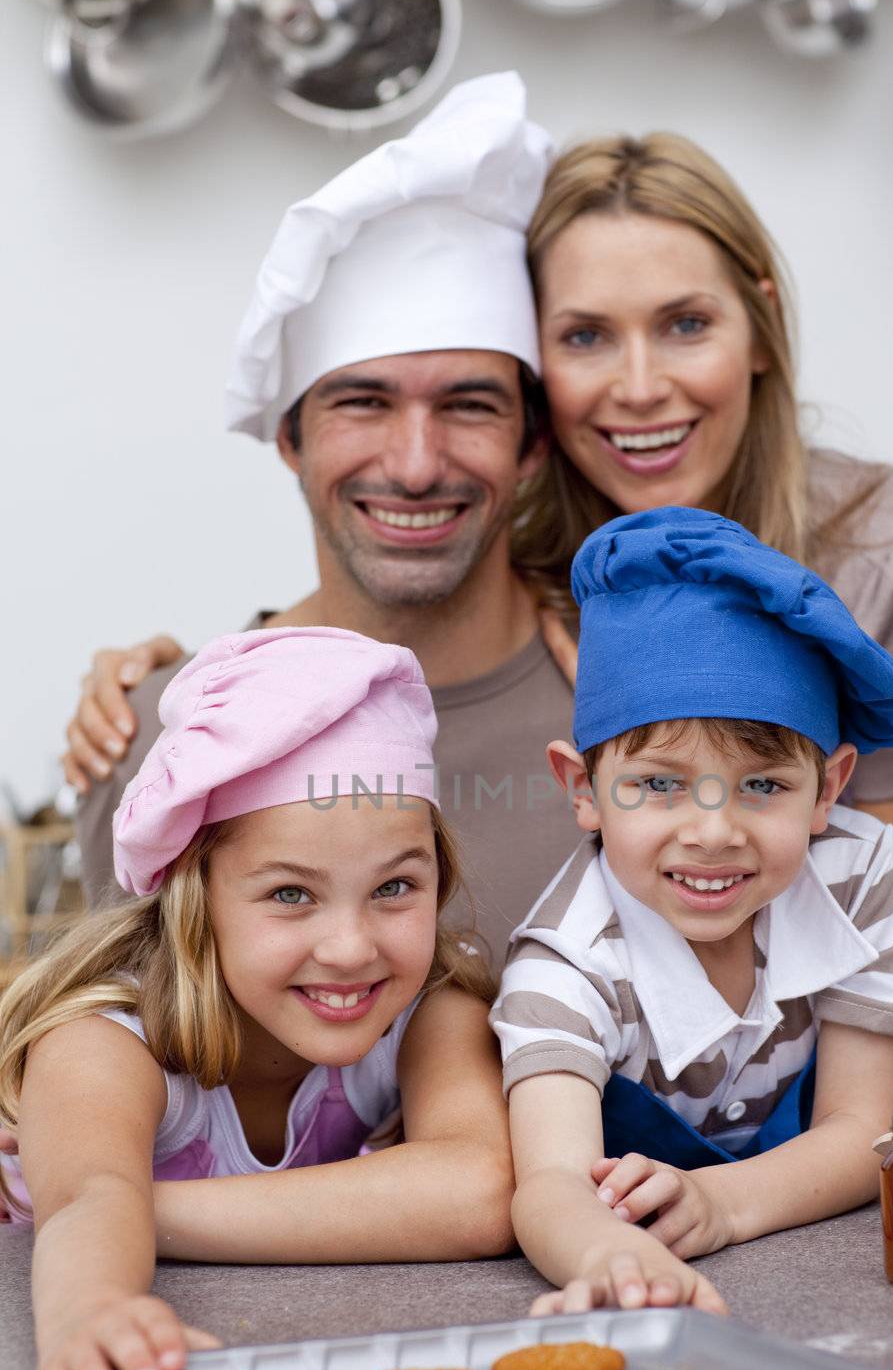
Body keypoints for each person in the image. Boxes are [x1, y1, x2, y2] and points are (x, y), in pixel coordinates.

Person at [517, 131, 893, 1101]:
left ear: (760, 327)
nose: (639, 385)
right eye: (585, 335)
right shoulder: (522, 564)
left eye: (685, 323)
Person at [63, 71, 580, 971]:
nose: (416, 465)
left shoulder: (638, 719)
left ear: (533, 443)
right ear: (289, 439)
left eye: (468, 405)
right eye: (363, 403)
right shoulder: (160, 737)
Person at [0, 627, 512, 1370]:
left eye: (395, 887)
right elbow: (91, 1200)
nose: (351, 948)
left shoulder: (434, 1009)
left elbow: (479, 1190)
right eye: (289, 895)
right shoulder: (108, 1040)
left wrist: (152, 1206)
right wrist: (96, 1307)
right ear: (192, 894)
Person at [495, 506, 893, 1315]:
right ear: (582, 789)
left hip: (812, 1280)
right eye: (658, 784)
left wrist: (720, 1205)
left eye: (763, 786)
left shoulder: (856, 875)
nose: (714, 833)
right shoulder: (564, 967)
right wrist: (616, 1259)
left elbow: (864, 1128)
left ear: (828, 788)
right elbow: (549, 1182)